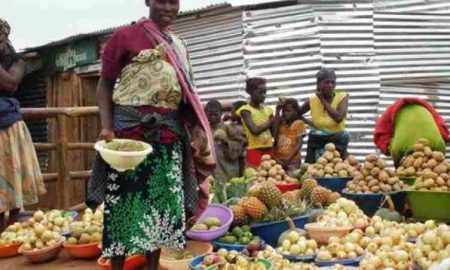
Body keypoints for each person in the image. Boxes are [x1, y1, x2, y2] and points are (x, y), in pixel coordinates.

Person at [94, 1, 215, 269]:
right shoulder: (124, 37)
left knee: (162, 208)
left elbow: (187, 95)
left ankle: (152, 266)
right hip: (129, 140)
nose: (168, 7)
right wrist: (106, 125)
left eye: (174, 1)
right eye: (161, 0)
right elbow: (104, 84)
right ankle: (117, 266)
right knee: (124, 205)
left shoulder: (179, 45)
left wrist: (197, 129)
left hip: (168, 138)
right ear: (148, 1)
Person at [0, 18, 46, 232]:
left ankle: (9, 231)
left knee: (12, 183)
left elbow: (10, 82)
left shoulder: (17, 62)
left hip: (8, 127)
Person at [299, 68, 349, 163]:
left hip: (337, 147)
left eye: (332, 82)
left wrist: (323, 100)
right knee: (312, 174)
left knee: (338, 171)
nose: (330, 85)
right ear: (319, 84)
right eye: (326, 82)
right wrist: (310, 124)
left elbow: (338, 117)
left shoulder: (342, 97)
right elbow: (297, 113)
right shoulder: (313, 100)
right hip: (317, 144)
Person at [236, 78, 274, 168]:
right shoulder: (245, 110)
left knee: (271, 178)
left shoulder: (268, 110)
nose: (263, 95)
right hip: (255, 151)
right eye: (260, 93)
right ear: (250, 92)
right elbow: (254, 130)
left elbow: (273, 133)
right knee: (255, 178)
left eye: (265, 93)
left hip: (269, 150)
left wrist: (279, 111)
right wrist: (271, 121)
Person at [205, 100, 245, 184]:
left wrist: (226, 142)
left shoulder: (229, 128)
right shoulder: (204, 129)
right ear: (206, 114)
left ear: (221, 113)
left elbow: (240, 145)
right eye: (210, 115)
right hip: (211, 170)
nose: (213, 117)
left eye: (215, 114)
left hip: (227, 169)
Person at [273, 98, 306, 174]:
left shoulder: (299, 123)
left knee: (292, 179)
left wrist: (288, 159)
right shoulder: (281, 125)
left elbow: (299, 144)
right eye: (283, 111)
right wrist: (277, 111)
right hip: (279, 160)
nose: (285, 113)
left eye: (288, 111)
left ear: (296, 112)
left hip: (293, 160)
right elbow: (274, 136)